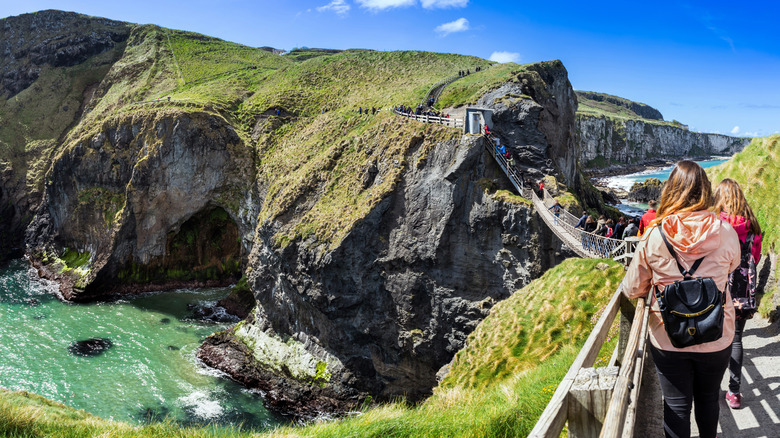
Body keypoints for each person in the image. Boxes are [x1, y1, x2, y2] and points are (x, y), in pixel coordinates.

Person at [622, 161, 740, 438]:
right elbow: (732, 266)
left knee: (676, 406)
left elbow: (632, 288)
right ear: (706, 191)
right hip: (717, 333)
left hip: (668, 335)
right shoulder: (725, 232)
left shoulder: (654, 234)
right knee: (709, 398)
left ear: (671, 190)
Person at [713, 178, 763, 409]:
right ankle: (734, 393)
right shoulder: (752, 226)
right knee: (736, 339)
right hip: (742, 290)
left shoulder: (715, 223)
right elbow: (757, 257)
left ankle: (711, 389)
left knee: (713, 337)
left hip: (717, 287)